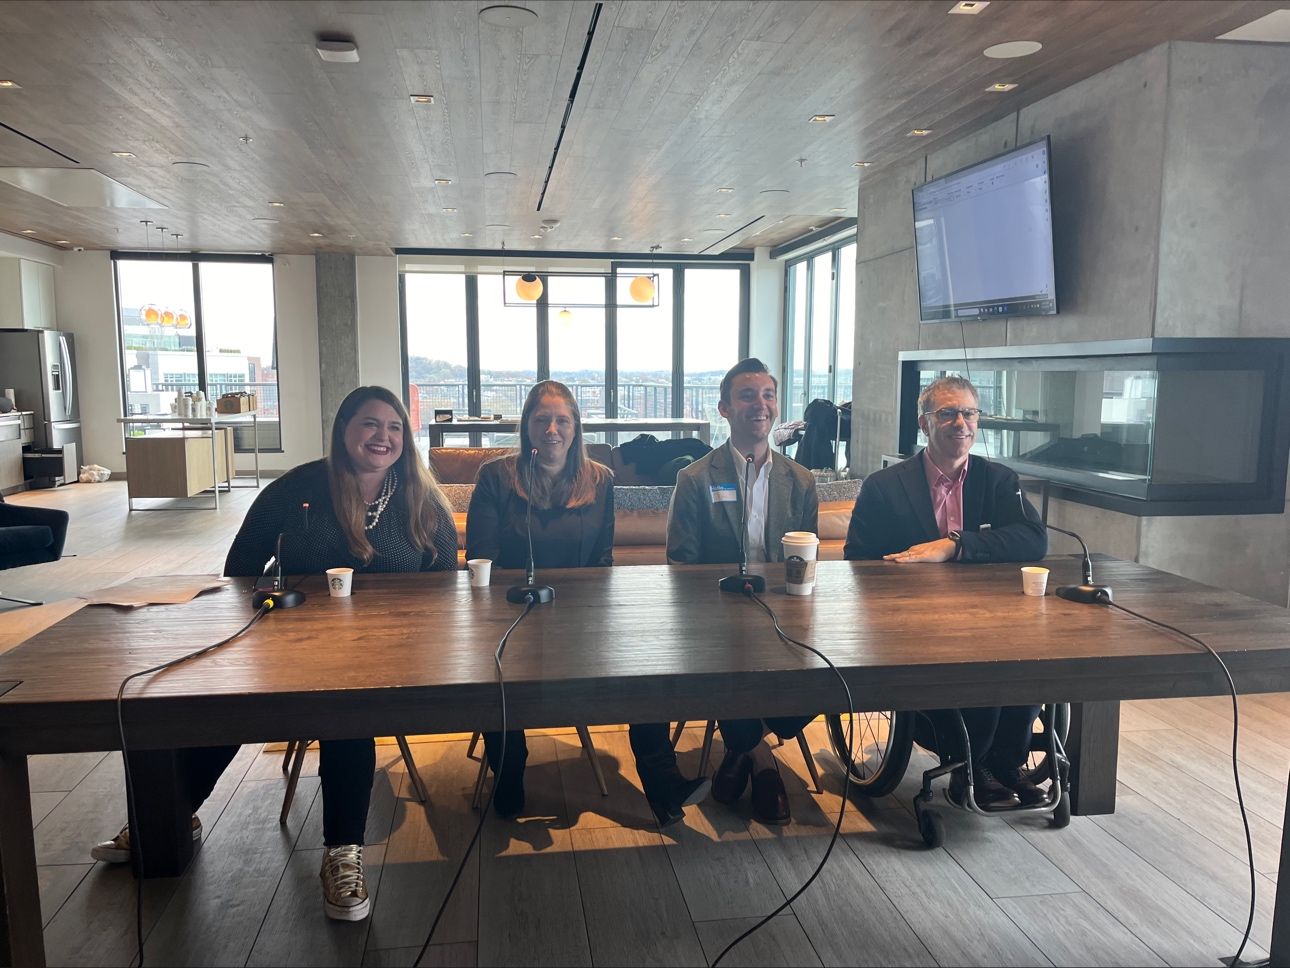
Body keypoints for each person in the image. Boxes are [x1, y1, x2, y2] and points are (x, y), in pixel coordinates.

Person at [90, 386, 459, 921]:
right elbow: (240, 564)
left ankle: (341, 851)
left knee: (345, 706)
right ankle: (169, 819)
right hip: (295, 637)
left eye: (394, 427)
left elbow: (446, 582)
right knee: (229, 704)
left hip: (391, 647)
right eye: (369, 424)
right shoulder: (300, 486)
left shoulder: (419, 495)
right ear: (344, 431)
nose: (383, 437)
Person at [466, 381, 708, 827]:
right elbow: (480, 556)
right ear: (527, 427)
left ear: (576, 427)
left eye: (562, 420)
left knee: (644, 667)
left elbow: (602, 559)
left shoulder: (600, 479)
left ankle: (664, 783)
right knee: (499, 671)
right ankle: (509, 767)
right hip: (510, 613)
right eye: (542, 419)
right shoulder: (497, 477)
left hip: (580, 618)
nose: (552, 429)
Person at [844, 374, 1048, 808]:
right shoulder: (885, 487)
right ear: (924, 423)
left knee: (1033, 656)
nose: (961, 423)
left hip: (991, 613)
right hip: (914, 621)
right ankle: (974, 766)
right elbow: (857, 562)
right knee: (983, 664)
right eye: (948, 413)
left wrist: (955, 545)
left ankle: (1004, 765)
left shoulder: (998, 480)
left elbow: (1033, 539)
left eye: (969, 413)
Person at [665, 358, 819, 825]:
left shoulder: (801, 481)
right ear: (724, 409)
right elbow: (679, 563)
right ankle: (765, 764)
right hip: (715, 617)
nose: (761, 404)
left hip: (785, 615)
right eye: (747, 396)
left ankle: (741, 751)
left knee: (832, 674)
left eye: (768, 395)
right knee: (728, 666)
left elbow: (808, 558)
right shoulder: (695, 479)